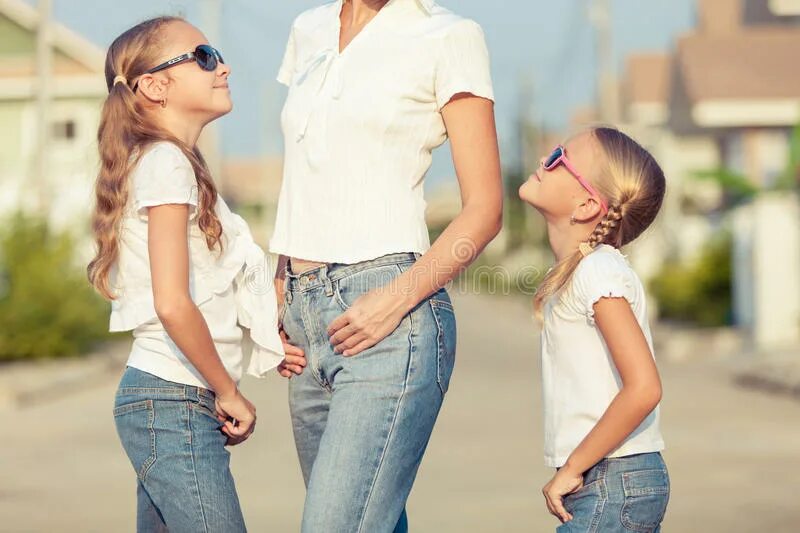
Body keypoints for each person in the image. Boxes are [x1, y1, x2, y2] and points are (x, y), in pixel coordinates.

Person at [271, 0, 503, 530]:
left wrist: (396, 299)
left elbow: (485, 211)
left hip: (389, 315)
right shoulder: (307, 29)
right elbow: (306, 172)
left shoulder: (448, 36)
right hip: (305, 320)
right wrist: (279, 286)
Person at [87, 16, 297, 532]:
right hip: (172, 399)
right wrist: (227, 389)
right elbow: (173, 302)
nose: (222, 66)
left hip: (173, 400)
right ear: (155, 86)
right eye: (203, 57)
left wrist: (270, 337)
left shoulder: (172, 162)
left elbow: (212, 287)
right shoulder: (166, 164)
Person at [518, 126, 670, 532]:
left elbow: (644, 387)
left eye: (557, 158)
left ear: (586, 205)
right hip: (611, 479)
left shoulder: (597, 269)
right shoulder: (581, 271)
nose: (542, 161)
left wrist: (572, 466)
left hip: (612, 478)